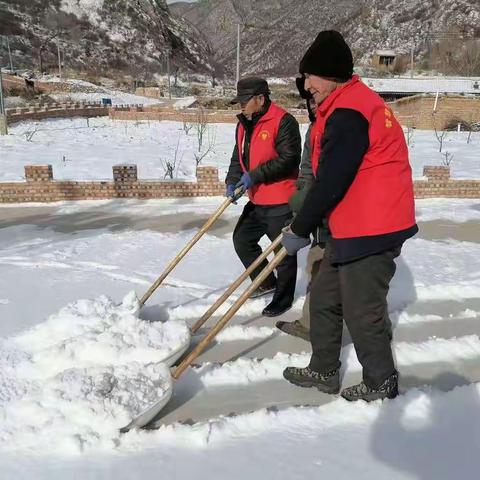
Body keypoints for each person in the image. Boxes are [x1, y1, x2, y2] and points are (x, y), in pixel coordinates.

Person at [281, 30, 418, 402]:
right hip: (355, 225)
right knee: (324, 297)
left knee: (362, 312)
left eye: (310, 77)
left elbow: (332, 180)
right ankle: (324, 369)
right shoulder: (346, 104)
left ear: (331, 75)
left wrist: (300, 227)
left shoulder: (350, 112)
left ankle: (381, 380)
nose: (306, 85)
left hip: (374, 227)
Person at [226, 76, 301, 317]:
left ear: (260, 98)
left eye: (244, 102)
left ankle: (284, 298)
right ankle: (267, 283)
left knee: (283, 254)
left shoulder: (283, 121)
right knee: (242, 240)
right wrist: (232, 181)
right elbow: (238, 156)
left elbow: (289, 160)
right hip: (256, 199)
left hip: (280, 199)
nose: (241, 107)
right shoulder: (243, 123)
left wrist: (255, 175)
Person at [276, 84, 326, 341]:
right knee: (315, 269)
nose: (313, 106)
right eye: (310, 102)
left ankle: (374, 331)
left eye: (317, 100)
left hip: (338, 221)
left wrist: (306, 211)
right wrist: (300, 205)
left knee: (330, 277)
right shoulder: (313, 129)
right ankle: (309, 324)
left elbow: (329, 179)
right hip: (319, 219)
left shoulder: (338, 127)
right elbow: (307, 170)